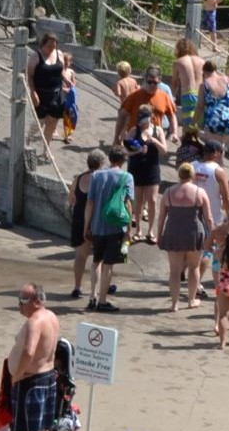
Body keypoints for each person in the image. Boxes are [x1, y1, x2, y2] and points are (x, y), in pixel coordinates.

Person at [7, 284, 61, 431]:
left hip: (30, 383)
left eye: (23, 300)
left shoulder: (34, 322)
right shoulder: (52, 316)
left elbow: (28, 352)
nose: (19, 304)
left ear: (37, 301)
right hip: (48, 379)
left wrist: (17, 375)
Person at [84, 147, 134, 312]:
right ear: (123, 160)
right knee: (109, 264)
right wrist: (130, 227)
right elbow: (127, 203)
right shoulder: (127, 177)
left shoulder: (97, 176)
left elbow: (90, 203)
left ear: (110, 158)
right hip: (116, 226)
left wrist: (87, 225)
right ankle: (103, 301)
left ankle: (92, 296)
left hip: (97, 225)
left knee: (95, 261)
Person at [160, 162, 212, 310]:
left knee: (174, 271)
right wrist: (212, 234)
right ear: (192, 175)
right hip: (194, 233)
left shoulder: (168, 192)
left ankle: (174, 304)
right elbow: (208, 218)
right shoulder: (200, 192)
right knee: (194, 267)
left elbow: (162, 217)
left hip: (173, 232)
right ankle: (191, 300)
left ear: (179, 174)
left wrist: (159, 235)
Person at [122, 106, 166, 243]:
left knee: (152, 200)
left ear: (151, 116)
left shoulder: (157, 130)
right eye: (139, 117)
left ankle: (151, 231)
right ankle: (138, 230)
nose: (140, 120)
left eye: (143, 117)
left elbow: (164, 150)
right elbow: (125, 151)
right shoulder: (134, 131)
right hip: (136, 169)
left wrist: (154, 141)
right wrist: (137, 151)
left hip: (152, 169)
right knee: (138, 201)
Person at [65, 151, 101, 299]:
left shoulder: (79, 178)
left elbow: (71, 198)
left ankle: (77, 286)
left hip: (79, 219)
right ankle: (98, 288)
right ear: (100, 164)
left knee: (80, 255)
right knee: (98, 257)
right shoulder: (99, 179)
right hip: (95, 220)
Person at [28, 33, 73, 145]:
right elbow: (29, 76)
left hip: (57, 94)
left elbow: (60, 70)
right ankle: (27, 138)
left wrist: (67, 80)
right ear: (43, 44)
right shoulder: (35, 56)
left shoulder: (59, 54)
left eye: (54, 46)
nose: (51, 49)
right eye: (49, 46)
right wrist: (33, 93)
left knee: (52, 122)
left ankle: (46, 149)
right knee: (40, 121)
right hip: (41, 94)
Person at [197, 61, 229, 151]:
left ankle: (212, 164)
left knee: (212, 149)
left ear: (204, 72)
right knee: (221, 146)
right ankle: (220, 162)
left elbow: (200, 106)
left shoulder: (204, 85)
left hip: (213, 119)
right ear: (215, 70)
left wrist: (193, 122)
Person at [171, 38, 205, 118]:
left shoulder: (178, 62)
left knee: (188, 125)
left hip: (188, 95)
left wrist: (172, 98)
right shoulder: (202, 61)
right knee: (199, 124)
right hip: (201, 94)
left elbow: (174, 83)